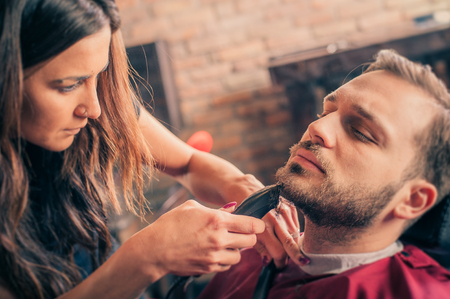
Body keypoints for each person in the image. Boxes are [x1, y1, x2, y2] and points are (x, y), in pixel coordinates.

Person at [0, 0, 302, 298]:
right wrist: (147, 256)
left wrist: (239, 186)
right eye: (68, 85)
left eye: (99, 75)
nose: (94, 109)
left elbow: (187, 163)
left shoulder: (96, 104)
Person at [198, 49, 450, 299]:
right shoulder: (250, 250)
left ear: (412, 199)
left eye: (360, 132)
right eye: (326, 112)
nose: (316, 127)